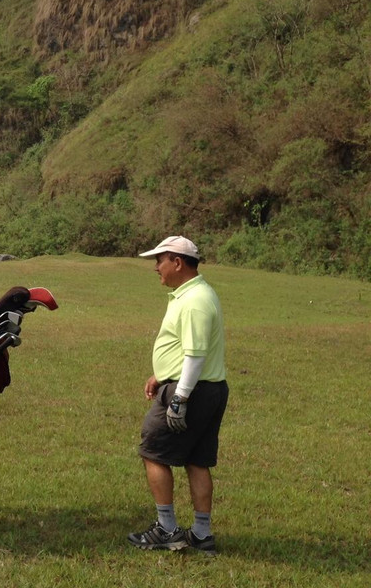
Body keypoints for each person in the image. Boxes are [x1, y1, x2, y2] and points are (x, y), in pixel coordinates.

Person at [128, 236, 228, 555]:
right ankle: (201, 534)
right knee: (197, 461)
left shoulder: (195, 300)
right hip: (207, 388)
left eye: (160, 261)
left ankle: (167, 529)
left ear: (177, 262)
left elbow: (196, 355)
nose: (156, 267)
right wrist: (162, 374)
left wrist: (179, 398)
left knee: (153, 451)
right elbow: (189, 350)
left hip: (192, 392)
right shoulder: (193, 294)